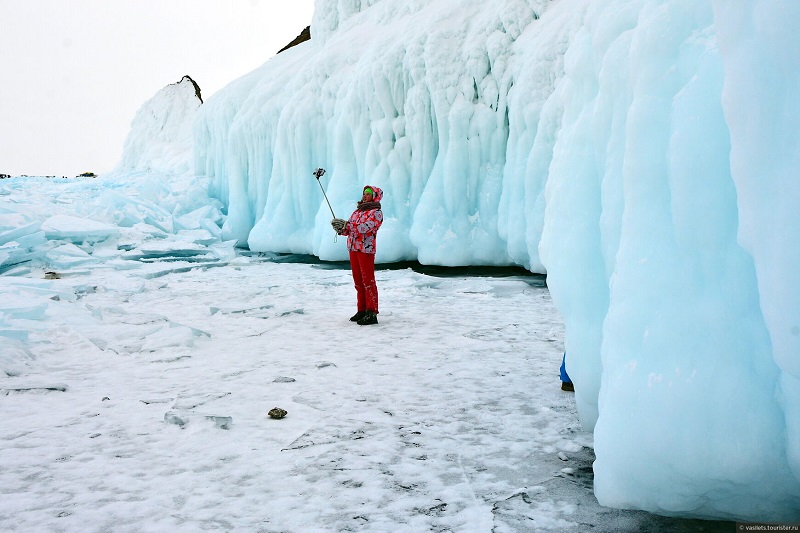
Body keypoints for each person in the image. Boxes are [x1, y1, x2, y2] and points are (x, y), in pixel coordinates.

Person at [331, 185, 383, 325]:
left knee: (368, 281)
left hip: (366, 250)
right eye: (364, 193)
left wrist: (347, 225)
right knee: (358, 281)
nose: (365, 196)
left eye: (368, 194)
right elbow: (350, 230)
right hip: (353, 249)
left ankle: (371, 312)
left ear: (374, 196)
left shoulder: (376, 213)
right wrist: (341, 229)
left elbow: (365, 228)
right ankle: (362, 310)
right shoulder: (357, 211)